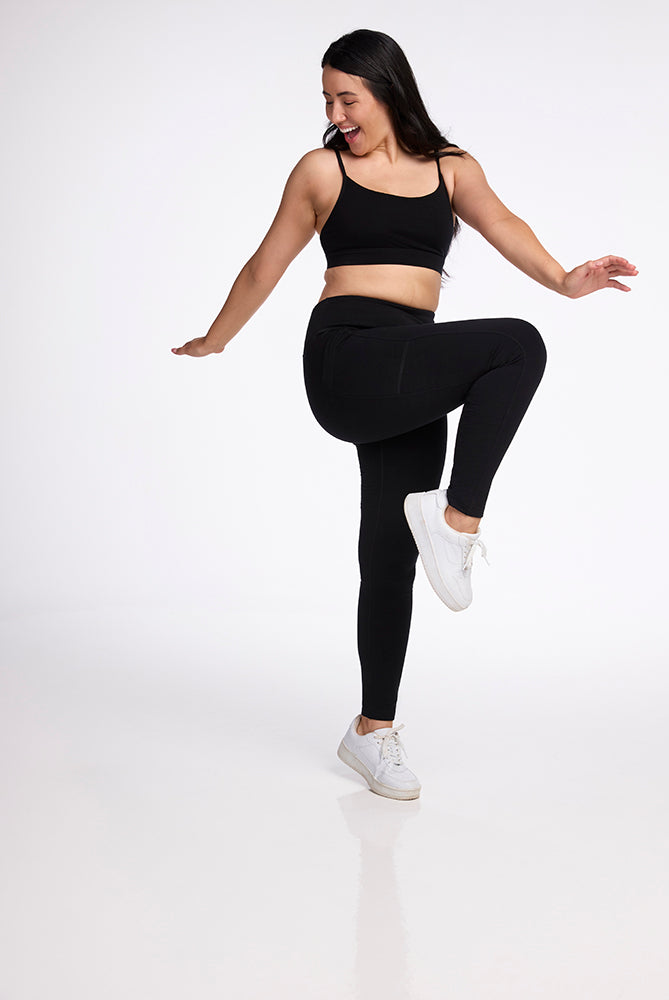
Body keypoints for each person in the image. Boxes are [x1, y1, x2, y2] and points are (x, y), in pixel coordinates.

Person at [172, 29, 638, 801]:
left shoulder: (452, 169)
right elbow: (266, 263)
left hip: (409, 369)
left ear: (387, 90)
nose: (335, 112)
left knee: (389, 551)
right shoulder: (323, 169)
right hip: (349, 359)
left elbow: (505, 226)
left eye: (346, 97)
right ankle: (458, 526)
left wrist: (563, 277)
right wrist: (216, 341)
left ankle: (372, 732)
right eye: (326, 99)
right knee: (516, 346)